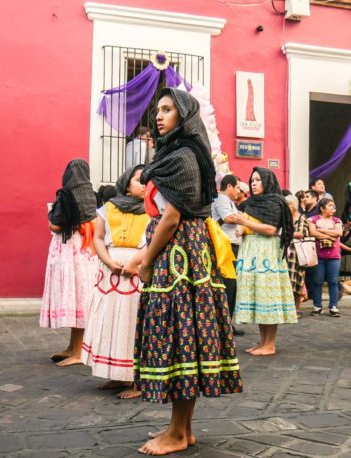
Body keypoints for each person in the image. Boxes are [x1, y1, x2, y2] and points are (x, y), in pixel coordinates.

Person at [135, 88, 242, 455]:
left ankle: (178, 433)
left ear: (184, 115)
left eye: (167, 109)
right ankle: (182, 428)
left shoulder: (181, 157)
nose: (159, 116)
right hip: (189, 257)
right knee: (188, 339)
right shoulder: (185, 154)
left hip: (178, 259)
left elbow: (172, 215)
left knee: (181, 340)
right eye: (158, 110)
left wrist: (147, 260)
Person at [81, 165, 149, 399]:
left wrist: (134, 264)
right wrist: (109, 262)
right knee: (110, 322)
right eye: (140, 180)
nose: (144, 185)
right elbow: (98, 238)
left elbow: (152, 242)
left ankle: (137, 381)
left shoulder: (153, 211)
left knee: (133, 324)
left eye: (147, 181)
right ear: (126, 183)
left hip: (136, 274)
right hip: (110, 275)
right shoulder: (107, 209)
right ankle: (118, 374)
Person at [232, 167, 297, 356]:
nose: (253, 183)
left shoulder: (275, 202)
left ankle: (270, 344)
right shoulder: (251, 202)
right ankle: (263, 342)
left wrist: (245, 224)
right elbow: (252, 224)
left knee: (267, 298)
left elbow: (270, 229)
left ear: (267, 181)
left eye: (258, 180)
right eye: (252, 180)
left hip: (267, 253)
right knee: (259, 299)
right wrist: (242, 229)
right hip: (252, 252)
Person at [40, 159, 97, 366]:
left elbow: (55, 226)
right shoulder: (92, 195)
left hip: (67, 253)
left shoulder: (65, 195)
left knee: (76, 299)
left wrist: (50, 213)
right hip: (86, 252)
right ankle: (73, 348)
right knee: (80, 299)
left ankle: (78, 353)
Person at [211, 174, 244, 335]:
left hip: (230, 246)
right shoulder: (221, 198)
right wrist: (243, 219)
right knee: (228, 286)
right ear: (229, 186)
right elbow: (229, 218)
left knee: (231, 287)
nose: (239, 191)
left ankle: (226, 324)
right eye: (237, 187)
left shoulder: (229, 201)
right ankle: (224, 325)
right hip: (225, 247)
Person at [308, 198, 343, 317]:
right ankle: (317, 306)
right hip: (318, 255)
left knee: (333, 281)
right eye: (330, 206)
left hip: (334, 256)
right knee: (317, 281)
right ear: (322, 208)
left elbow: (339, 233)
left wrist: (321, 230)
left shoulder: (337, 220)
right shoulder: (313, 219)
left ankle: (333, 306)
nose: (333, 208)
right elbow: (312, 233)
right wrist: (330, 234)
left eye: (333, 206)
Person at [285, 194, 310, 318]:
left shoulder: (301, 218)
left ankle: (296, 309)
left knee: (298, 281)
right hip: (286, 253)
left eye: (287, 205)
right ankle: (288, 309)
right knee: (287, 281)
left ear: (293, 205)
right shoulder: (285, 219)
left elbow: (302, 233)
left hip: (297, 254)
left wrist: (286, 234)